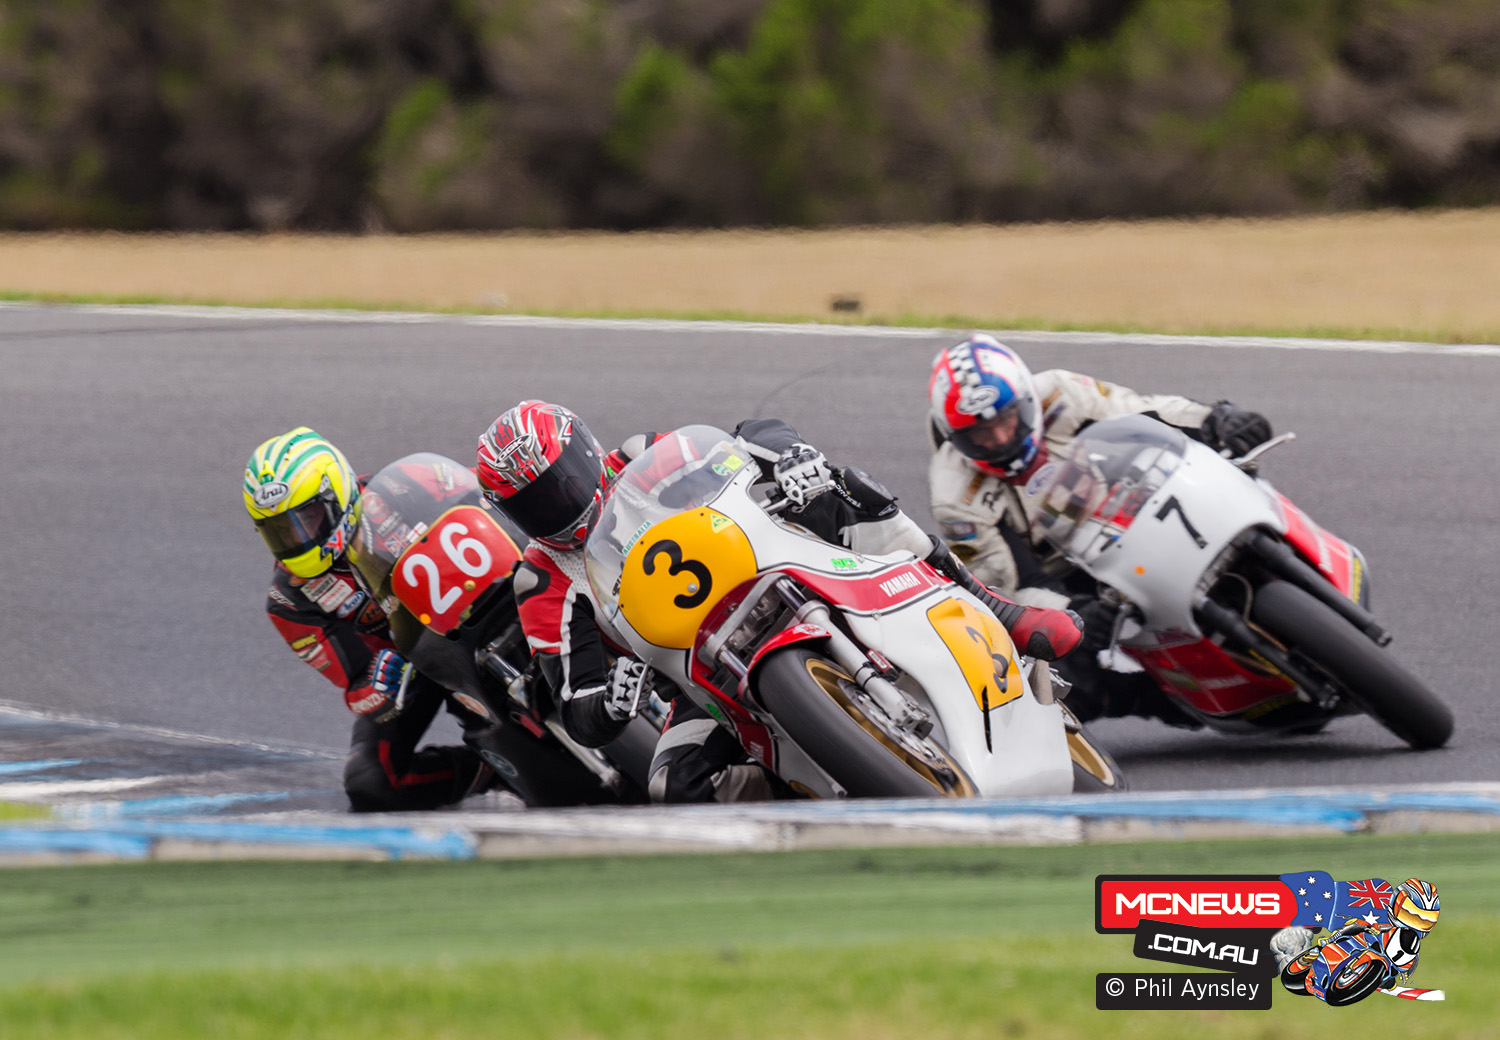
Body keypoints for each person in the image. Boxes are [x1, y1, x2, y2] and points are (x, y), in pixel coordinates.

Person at [476, 401, 1084, 804]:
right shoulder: (541, 581)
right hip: (696, 676)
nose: (558, 507)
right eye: (534, 505)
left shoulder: (641, 457)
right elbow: (575, 701)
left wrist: (791, 457)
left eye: (562, 483)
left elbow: (744, 439)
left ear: (586, 452)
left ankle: (992, 605)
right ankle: (806, 820)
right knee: (670, 784)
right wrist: (610, 700)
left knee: (842, 489)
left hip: (779, 561)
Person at [927, 333, 1274, 727]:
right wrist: (1070, 612)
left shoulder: (1060, 392)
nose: (1000, 440)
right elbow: (1006, 584)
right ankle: (1163, 697)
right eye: (980, 434)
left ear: (1025, 402)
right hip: (1071, 576)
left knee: (1227, 487)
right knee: (1056, 676)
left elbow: (1144, 411)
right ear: (957, 438)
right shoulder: (955, 494)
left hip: (1141, 507)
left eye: (1005, 420)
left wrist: (1215, 419)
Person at [243, 427, 496, 811]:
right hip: (415, 666)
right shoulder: (289, 600)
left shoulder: (408, 486)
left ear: (335, 495)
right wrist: (379, 686)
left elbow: (494, 497)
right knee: (369, 783)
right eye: (280, 531)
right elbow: (357, 683)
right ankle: (494, 772)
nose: (298, 538)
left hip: (481, 608)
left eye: (307, 518)